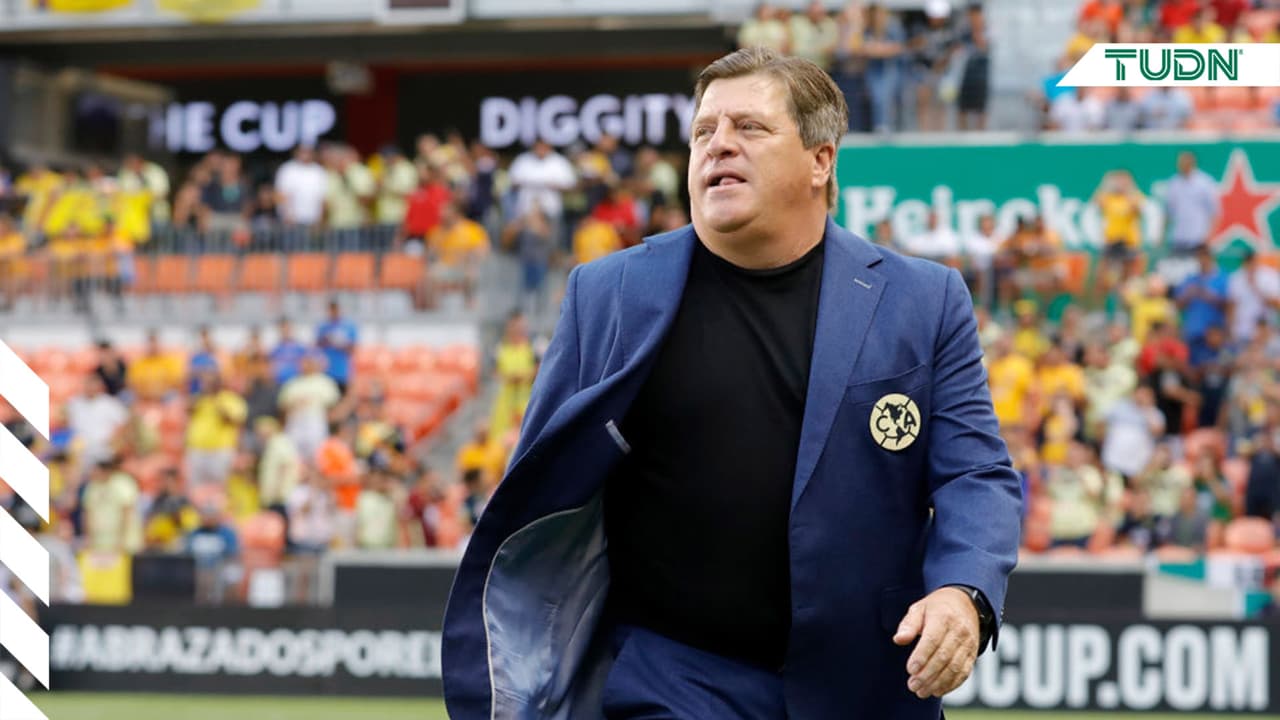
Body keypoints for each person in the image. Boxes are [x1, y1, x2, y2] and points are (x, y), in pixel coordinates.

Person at [441, 47, 1021, 720]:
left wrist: (962, 592)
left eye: (749, 127)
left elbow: (976, 474)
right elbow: (540, 490)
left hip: (870, 683)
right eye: (703, 132)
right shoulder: (608, 294)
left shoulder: (925, 300)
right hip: (671, 679)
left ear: (820, 161)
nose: (718, 145)